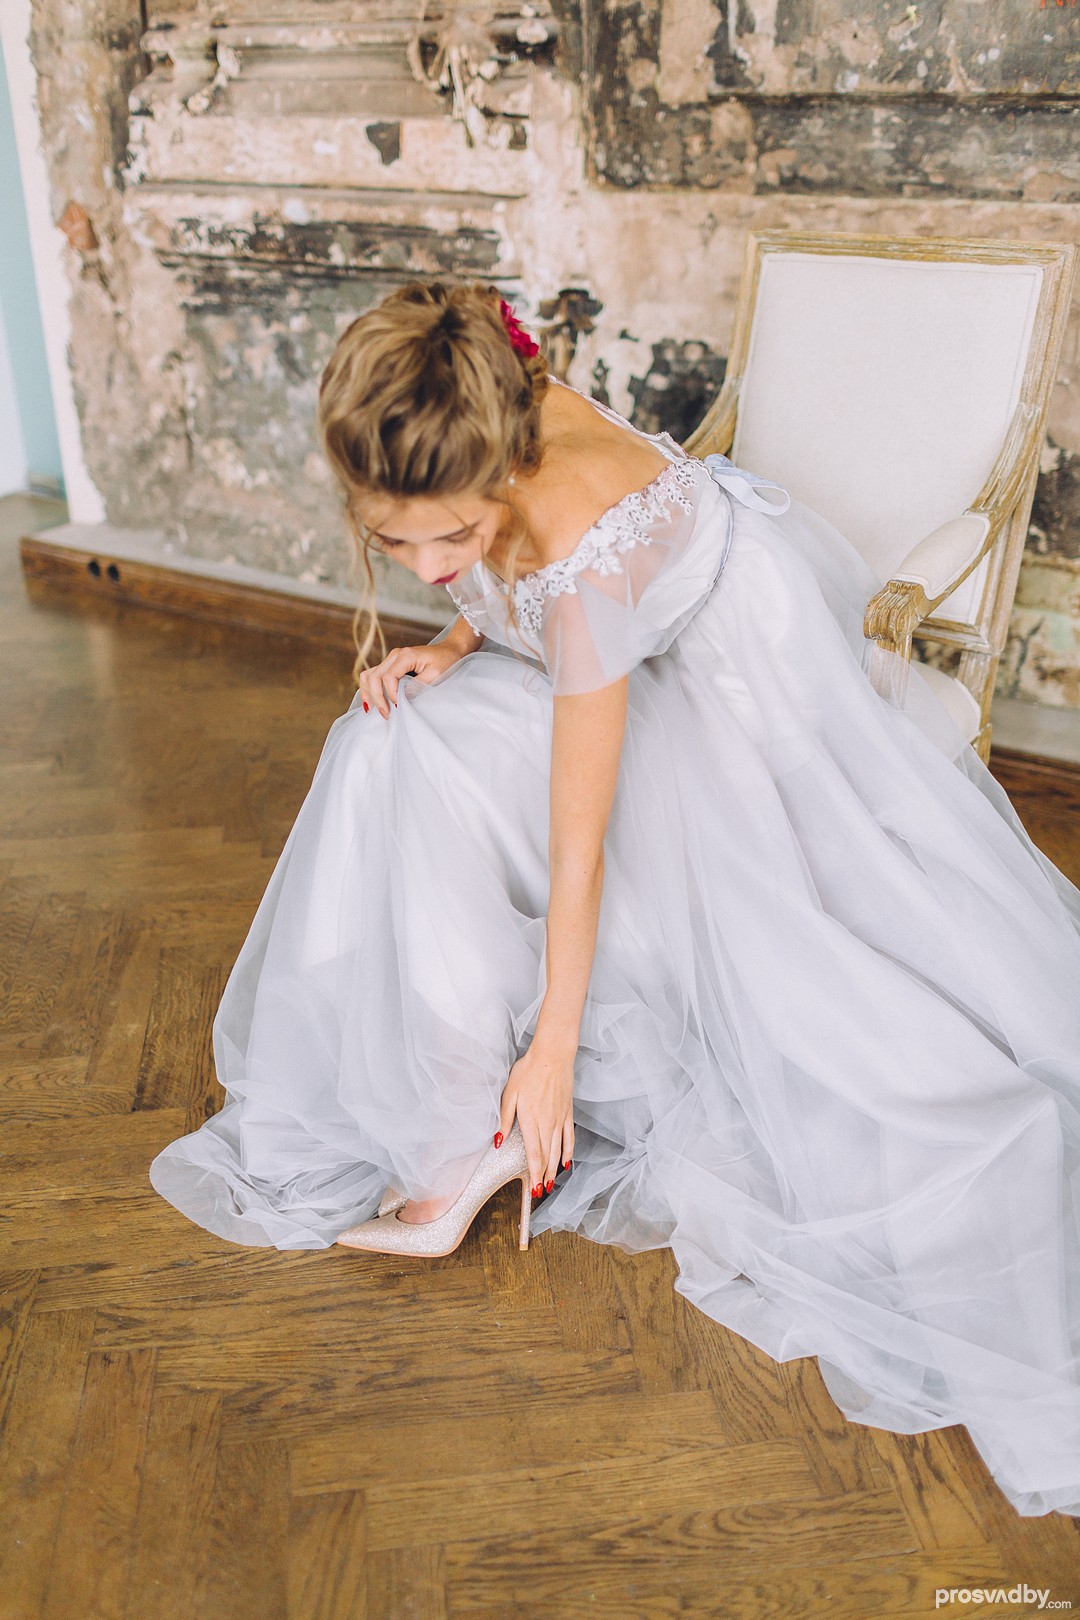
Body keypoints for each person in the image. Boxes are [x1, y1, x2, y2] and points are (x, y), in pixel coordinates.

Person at [149, 279, 1080, 1520]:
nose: (426, 566)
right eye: (394, 544)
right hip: (612, 653)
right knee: (383, 736)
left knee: (844, 1032)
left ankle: (502, 1096)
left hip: (734, 703)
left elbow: (576, 841)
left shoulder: (584, 557)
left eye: (448, 538)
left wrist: (555, 1049)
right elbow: (499, 583)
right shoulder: (480, 397)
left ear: (500, 472)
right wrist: (454, 641)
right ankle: (456, 1119)